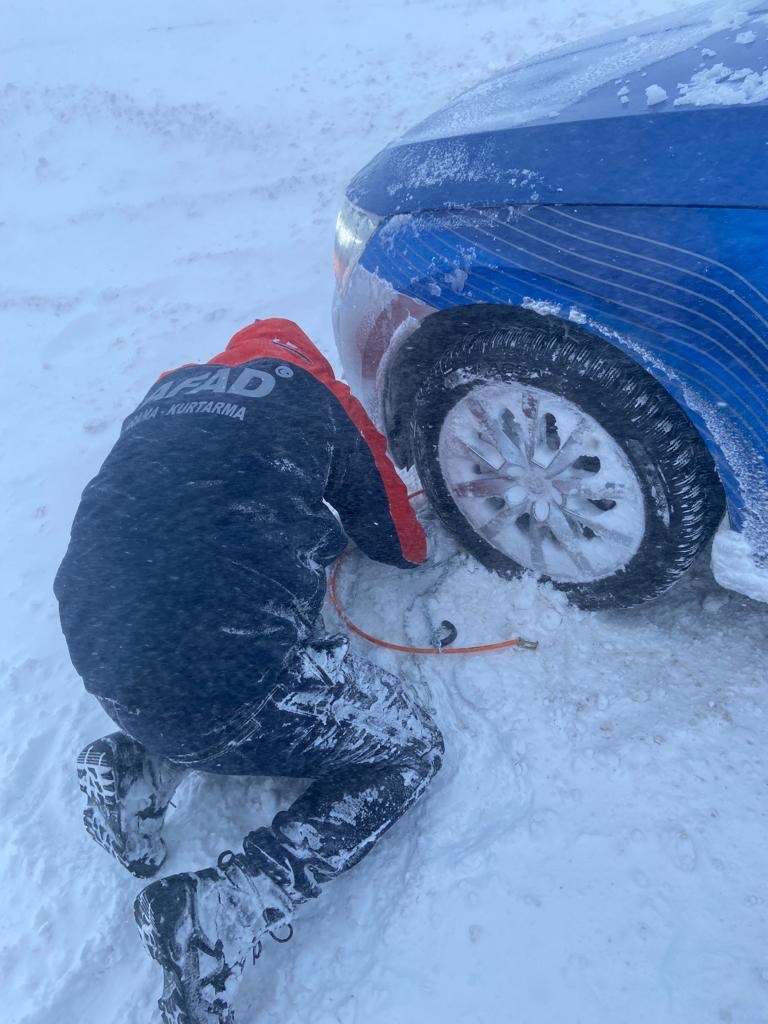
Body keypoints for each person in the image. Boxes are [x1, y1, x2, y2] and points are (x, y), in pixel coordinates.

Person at [54, 318, 444, 1024]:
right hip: (223, 681)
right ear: (305, 361)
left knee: (186, 645)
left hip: (102, 656)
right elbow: (398, 538)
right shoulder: (312, 393)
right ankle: (225, 909)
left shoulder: (164, 392)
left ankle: (136, 765)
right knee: (406, 750)